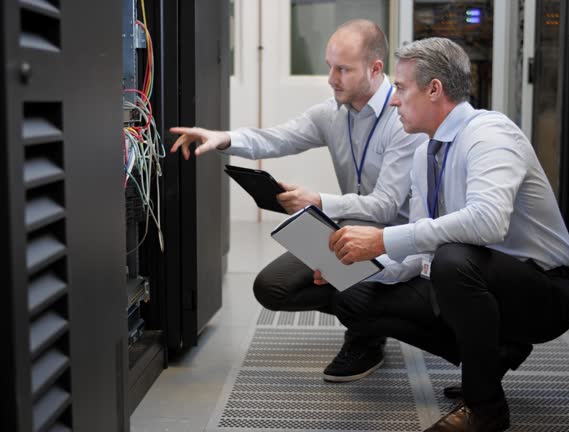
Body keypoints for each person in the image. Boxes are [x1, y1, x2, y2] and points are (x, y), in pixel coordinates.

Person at [322, 37, 569, 431]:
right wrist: (355, 264)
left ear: (435, 90)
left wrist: (383, 239)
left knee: (453, 261)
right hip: (483, 282)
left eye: (402, 89)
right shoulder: (427, 153)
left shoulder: (489, 135)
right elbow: (415, 254)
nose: (393, 101)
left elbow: (487, 222)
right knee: (354, 296)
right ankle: (491, 358)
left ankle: (485, 408)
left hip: (545, 291)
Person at [169, 19, 426, 382]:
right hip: (350, 228)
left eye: (343, 69)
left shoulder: (402, 120)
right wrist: (224, 137)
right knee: (272, 288)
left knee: (343, 286)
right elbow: (277, 138)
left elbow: (385, 207)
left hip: (394, 239)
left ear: (375, 68)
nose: (332, 78)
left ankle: (367, 335)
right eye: (329, 67)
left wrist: (318, 201)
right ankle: (366, 312)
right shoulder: (332, 113)